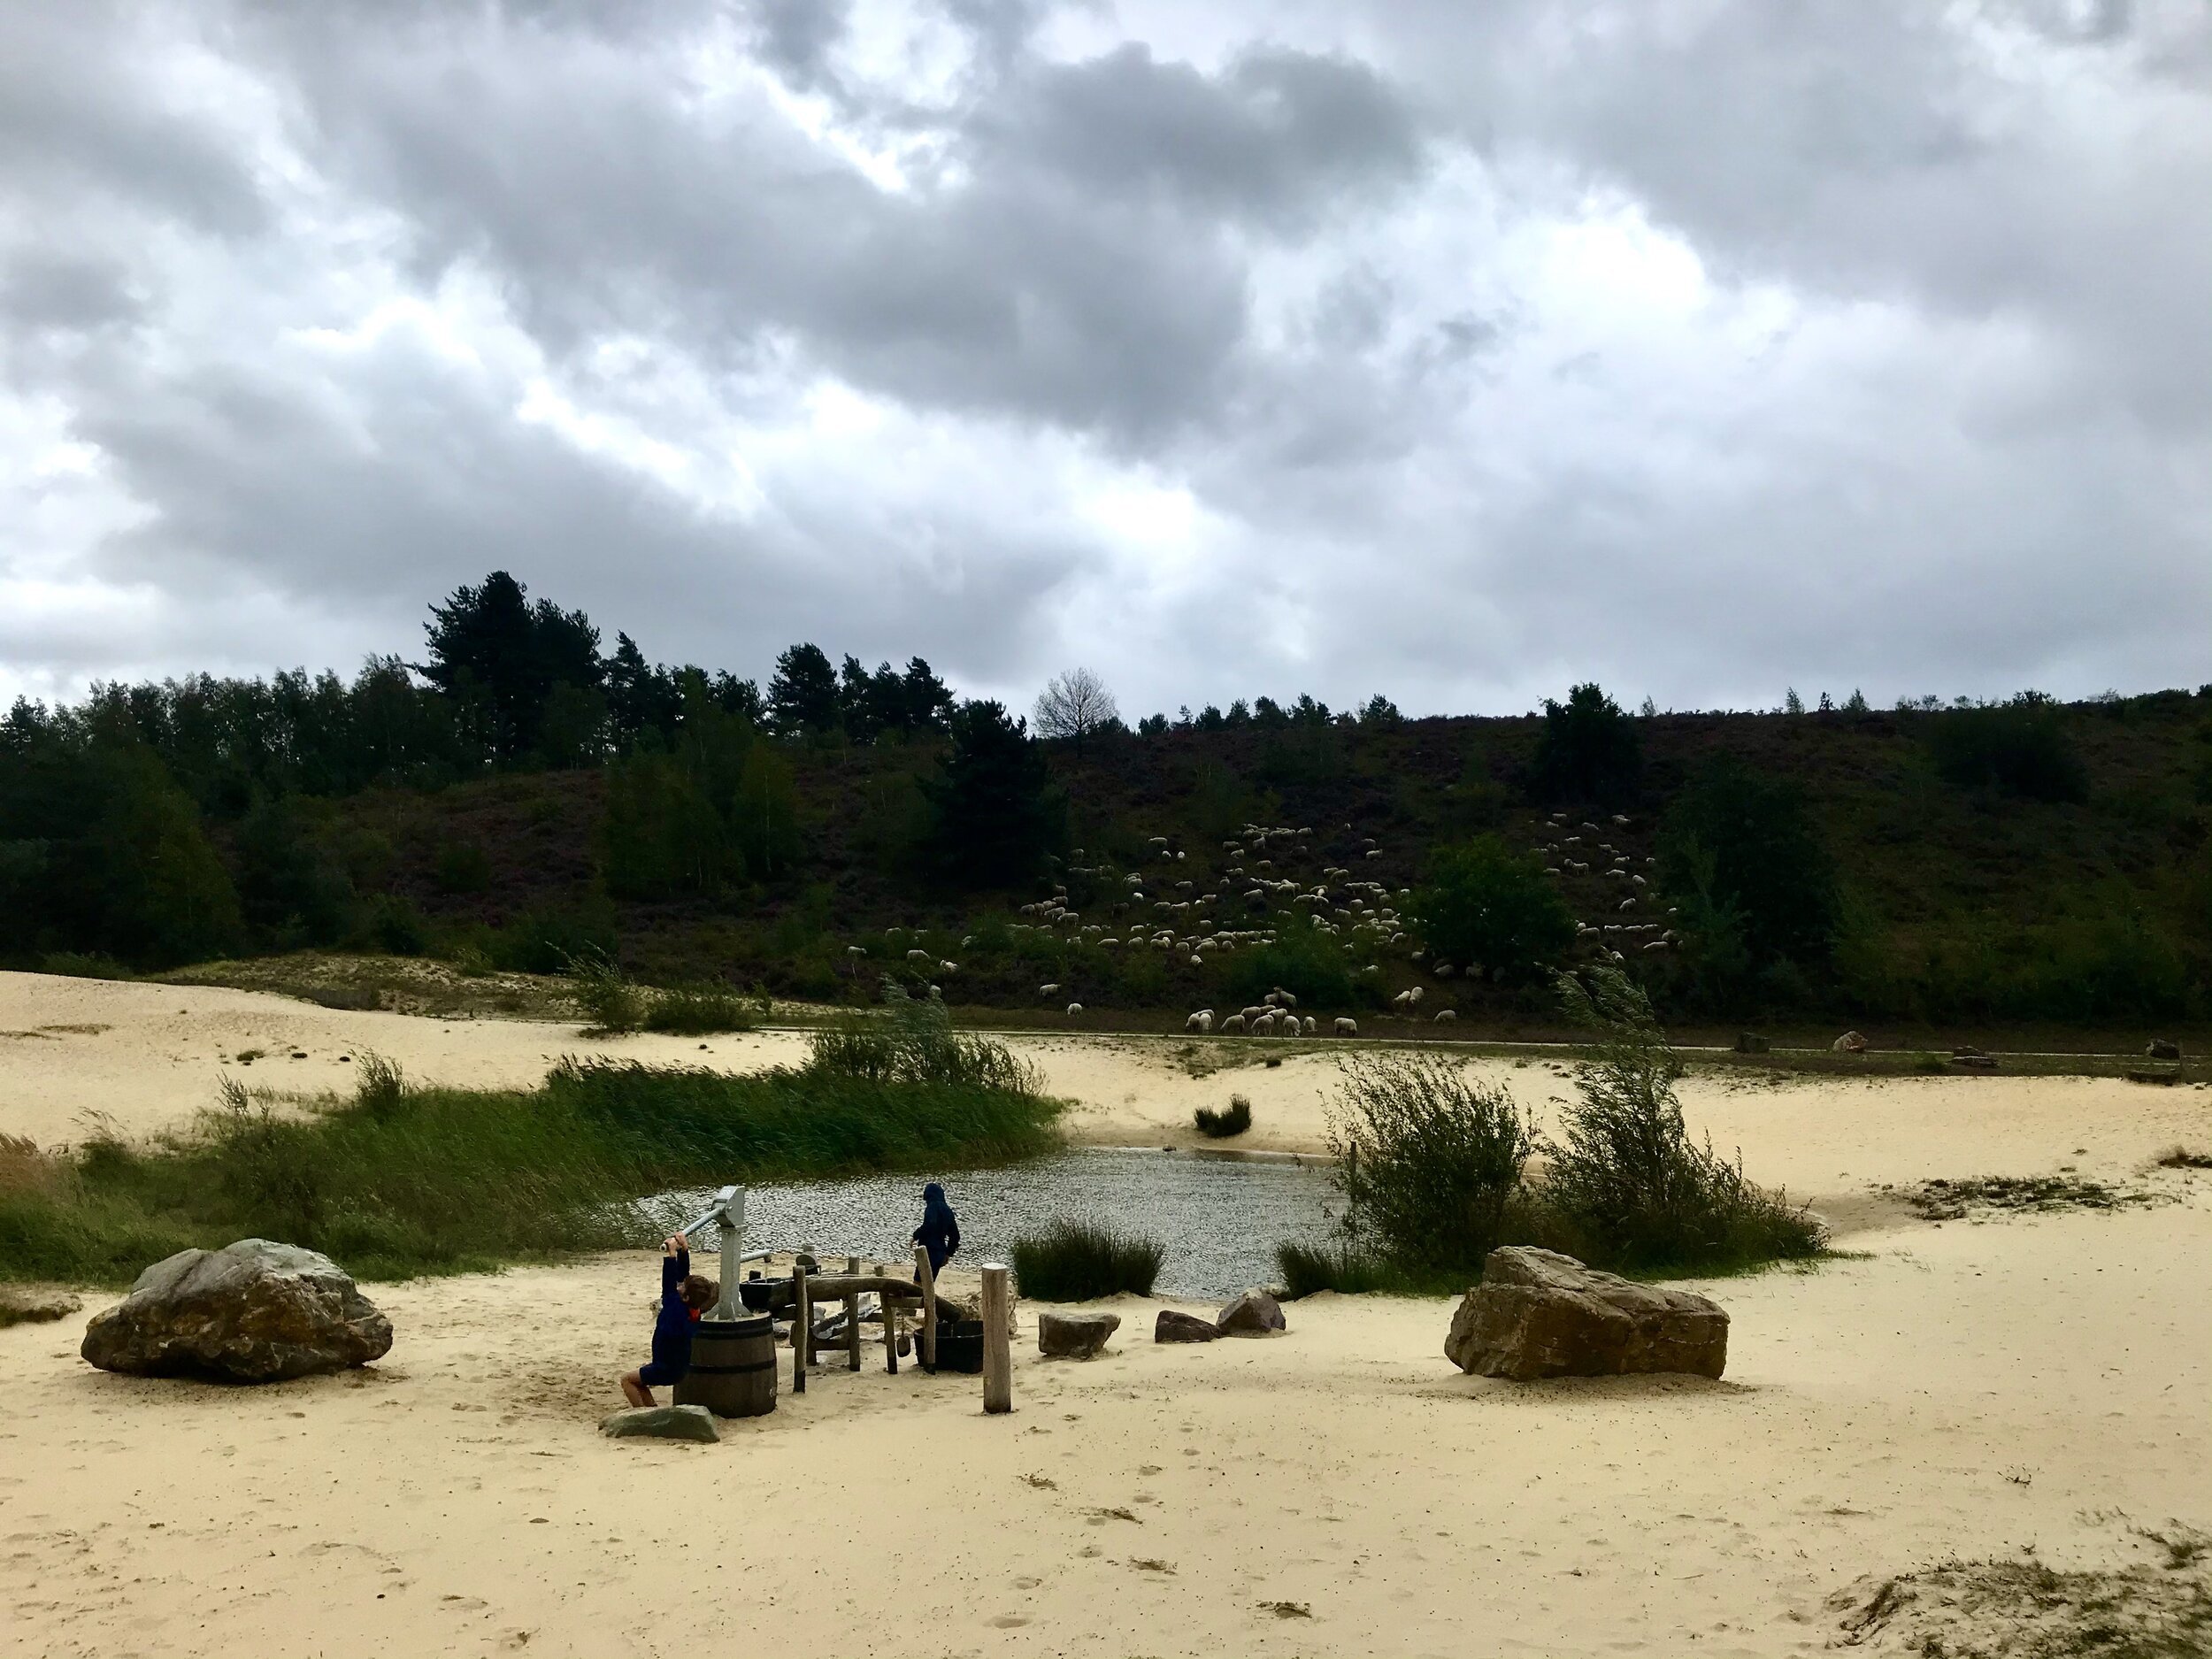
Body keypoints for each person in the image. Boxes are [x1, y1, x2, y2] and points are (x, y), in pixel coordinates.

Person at [620, 1232, 718, 1409]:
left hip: (665, 1368)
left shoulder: (675, 1309)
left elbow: (668, 1284)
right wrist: (684, 1251)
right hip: (676, 1368)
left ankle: (639, 1416)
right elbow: (683, 1277)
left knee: (627, 1380)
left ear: (686, 1297)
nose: (678, 1285)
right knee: (639, 1382)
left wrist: (671, 1255)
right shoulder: (692, 1311)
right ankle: (651, 1412)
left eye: (681, 1287)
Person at [912, 1182, 959, 1280]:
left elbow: (929, 1224)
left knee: (918, 1281)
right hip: (940, 1252)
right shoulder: (948, 1210)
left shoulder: (932, 1207)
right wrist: (949, 1253)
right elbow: (955, 1236)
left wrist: (915, 1236)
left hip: (928, 1250)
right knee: (930, 1281)